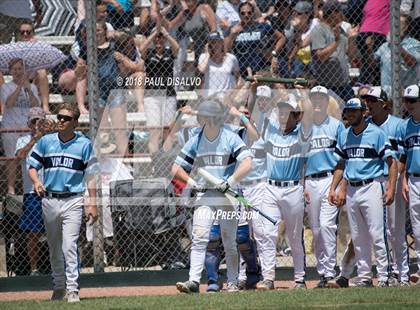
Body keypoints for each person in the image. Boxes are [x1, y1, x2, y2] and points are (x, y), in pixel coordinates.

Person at [172, 99, 252, 293]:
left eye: (205, 117)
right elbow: (175, 168)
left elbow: (248, 163)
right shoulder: (196, 139)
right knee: (199, 236)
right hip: (206, 194)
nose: (202, 120)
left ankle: (232, 282)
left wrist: (230, 181)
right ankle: (193, 282)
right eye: (201, 117)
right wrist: (193, 184)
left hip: (227, 195)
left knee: (228, 240)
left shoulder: (230, 137)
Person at [27, 103, 98, 303]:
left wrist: (92, 203)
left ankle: (73, 289)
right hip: (49, 200)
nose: (61, 121)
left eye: (66, 118)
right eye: (59, 117)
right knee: (54, 246)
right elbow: (32, 165)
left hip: (73, 199)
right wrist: (36, 181)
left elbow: (91, 175)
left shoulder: (84, 144)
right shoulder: (46, 141)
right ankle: (58, 287)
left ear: (75, 122)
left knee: (69, 245)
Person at [329, 97, 397, 287]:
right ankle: (365, 277)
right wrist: (333, 188)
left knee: (377, 233)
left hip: (372, 186)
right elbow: (341, 164)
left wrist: (391, 187)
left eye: (354, 111)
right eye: (348, 111)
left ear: (363, 112)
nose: (350, 114)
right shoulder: (344, 134)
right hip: (351, 189)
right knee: (358, 236)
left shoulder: (376, 133)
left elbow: (391, 163)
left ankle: (385, 276)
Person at [255, 95, 308, 290]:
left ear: (296, 116)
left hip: (293, 189)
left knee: (295, 236)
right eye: (281, 111)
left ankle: (300, 278)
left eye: (288, 112)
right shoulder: (271, 131)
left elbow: (308, 117)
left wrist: (302, 95)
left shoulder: (302, 134)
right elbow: (256, 113)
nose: (283, 114)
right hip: (270, 188)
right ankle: (268, 278)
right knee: (267, 234)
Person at [362, 86, 409, 286]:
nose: (369, 104)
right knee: (378, 230)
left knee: (395, 228)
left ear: (384, 104)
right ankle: (387, 272)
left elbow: (401, 157)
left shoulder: (398, 125)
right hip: (373, 184)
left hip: (393, 181)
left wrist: (393, 182)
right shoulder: (366, 125)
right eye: (367, 101)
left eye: (373, 101)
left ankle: (402, 273)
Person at [303, 86, 345, 288]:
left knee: (328, 225)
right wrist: (302, 185)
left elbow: (344, 159)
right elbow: (299, 160)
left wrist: (338, 186)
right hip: (310, 181)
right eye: (314, 98)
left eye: (322, 98)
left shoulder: (337, 126)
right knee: (317, 229)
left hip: (330, 179)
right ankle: (322, 273)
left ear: (327, 102)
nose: (318, 102)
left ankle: (329, 273)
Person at [15, 108, 49, 276]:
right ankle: (34, 268)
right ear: (29, 124)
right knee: (34, 232)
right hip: (32, 192)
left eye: (40, 121)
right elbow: (20, 156)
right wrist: (34, 140)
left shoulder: (52, 140)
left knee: (55, 230)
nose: (37, 125)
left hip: (52, 191)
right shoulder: (22, 140)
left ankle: (57, 265)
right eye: (34, 121)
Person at [1, 58, 40, 196]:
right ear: (10, 71)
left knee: (28, 158)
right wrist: (19, 87)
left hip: (27, 127)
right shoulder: (6, 87)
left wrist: (28, 89)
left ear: (24, 70)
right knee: (11, 158)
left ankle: (28, 187)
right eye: (15, 69)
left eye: (20, 68)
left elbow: (35, 105)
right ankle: (11, 189)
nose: (17, 71)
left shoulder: (32, 87)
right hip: (10, 126)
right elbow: (9, 103)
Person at [140, 26, 179, 155]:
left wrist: (166, 34)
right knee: (154, 131)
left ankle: (166, 160)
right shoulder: (149, 53)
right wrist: (154, 33)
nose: (158, 41)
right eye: (157, 38)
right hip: (152, 95)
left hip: (169, 94)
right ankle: (155, 162)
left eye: (160, 38)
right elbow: (141, 50)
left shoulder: (169, 52)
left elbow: (177, 49)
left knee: (167, 129)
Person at [309, 0, 354, 102]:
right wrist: (336, 42)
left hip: (344, 86)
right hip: (328, 86)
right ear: (332, 13)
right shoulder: (319, 30)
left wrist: (351, 39)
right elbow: (320, 57)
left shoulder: (342, 30)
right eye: (340, 12)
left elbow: (351, 55)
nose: (342, 15)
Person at [225, 2, 283, 76]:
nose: (246, 15)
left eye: (249, 13)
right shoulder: (233, 29)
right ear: (239, 14)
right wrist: (232, 35)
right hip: (241, 71)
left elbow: (281, 37)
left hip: (262, 69)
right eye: (243, 13)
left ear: (253, 13)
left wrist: (274, 52)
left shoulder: (262, 26)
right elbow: (226, 50)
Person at [399, 84, 420, 285]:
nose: (408, 104)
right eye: (406, 100)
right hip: (413, 179)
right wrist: (404, 179)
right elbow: (404, 155)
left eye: (412, 100)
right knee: (417, 228)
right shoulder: (406, 126)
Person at [374, 13, 420, 98]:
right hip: (386, 94)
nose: (394, 26)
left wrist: (396, 45)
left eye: (398, 23)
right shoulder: (384, 46)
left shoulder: (415, 44)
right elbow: (371, 64)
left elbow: (412, 62)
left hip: (406, 93)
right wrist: (368, 48)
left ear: (406, 27)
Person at [16, 20, 51, 114]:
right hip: (22, 78)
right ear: (19, 34)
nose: (25, 34)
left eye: (28, 32)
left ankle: (45, 107)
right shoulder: (15, 47)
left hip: (37, 78)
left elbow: (45, 63)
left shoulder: (39, 45)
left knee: (42, 71)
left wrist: (35, 48)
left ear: (33, 33)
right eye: (22, 32)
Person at [198, 31, 242, 98]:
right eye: (212, 42)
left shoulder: (231, 58)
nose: (216, 44)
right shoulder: (204, 57)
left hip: (226, 99)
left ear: (222, 42)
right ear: (209, 45)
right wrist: (207, 54)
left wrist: (235, 92)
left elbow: (238, 77)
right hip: (210, 98)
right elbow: (202, 70)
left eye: (218, 41)